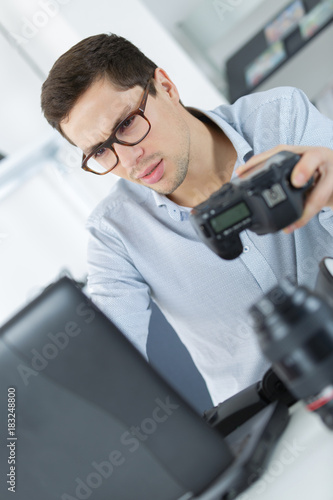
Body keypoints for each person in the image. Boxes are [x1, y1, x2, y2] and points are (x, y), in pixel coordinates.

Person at [41, 33, 333, 406]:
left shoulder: (279, 119)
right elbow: (108, 356)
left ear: (165, 85)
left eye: (127, 124)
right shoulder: (114, 233)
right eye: (100, 151)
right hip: (272, 421)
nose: (129, 161)